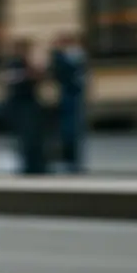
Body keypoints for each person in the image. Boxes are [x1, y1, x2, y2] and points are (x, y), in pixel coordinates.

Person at [3, 38, 47, 175]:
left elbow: (38, 77)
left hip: (30, 102)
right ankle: (30, 165)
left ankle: (36, 164)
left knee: (34, 136)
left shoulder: (27, 64)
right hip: (21, 104)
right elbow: (13, 80)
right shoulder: (14, 64)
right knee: (27, 136)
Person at [49, 32, 88, 173]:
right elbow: (61, 75)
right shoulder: (59, 57)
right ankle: (68, 161)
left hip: (74, 97)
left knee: (74, 131)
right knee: (67, 131)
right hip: (66, 97)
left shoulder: (75, 56)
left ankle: (73, 161)